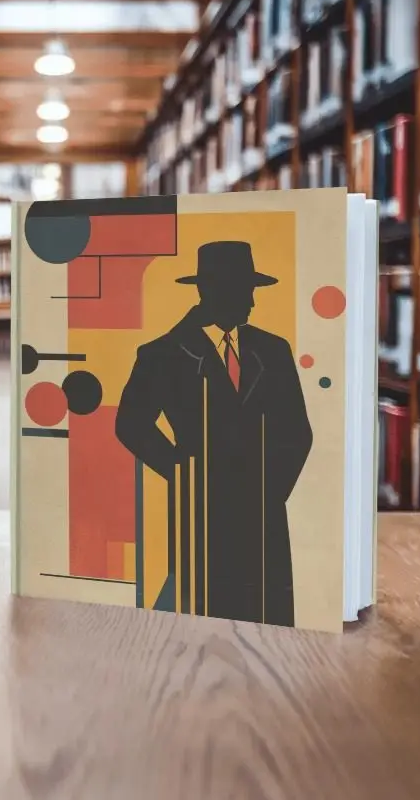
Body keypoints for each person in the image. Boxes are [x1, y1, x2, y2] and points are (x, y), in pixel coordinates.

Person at [115, 241, 313, 626]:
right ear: (211, 292)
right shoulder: (161, 354)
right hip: (200, 519)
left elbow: (298, 432)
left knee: (270, 631)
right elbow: (130, 424)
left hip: (263, 520)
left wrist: (268, 489)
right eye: (245, 291)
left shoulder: (274, 351)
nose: (252, 303)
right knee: (199, 626)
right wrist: (183, 473)